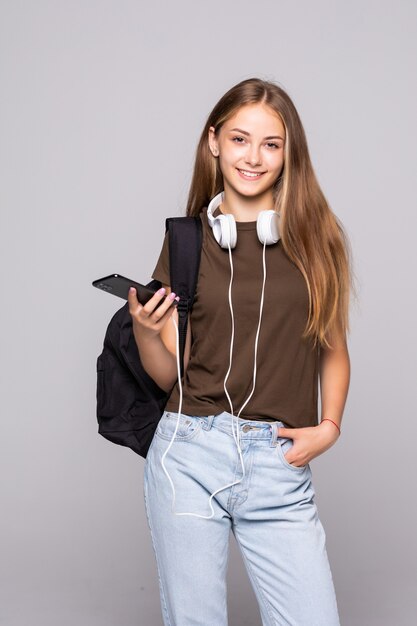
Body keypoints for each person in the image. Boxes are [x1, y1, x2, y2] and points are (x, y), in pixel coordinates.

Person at [128, 77, 353, 626]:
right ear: (214, 142)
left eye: (271, 144)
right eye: (239, 139)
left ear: (287, 153)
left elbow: (333, 347)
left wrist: (329, 427)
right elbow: (168, 378)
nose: (253, 157)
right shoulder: (185, 242)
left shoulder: (316, 238)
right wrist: (142, 330)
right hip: (189, 450)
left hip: (277, 462)